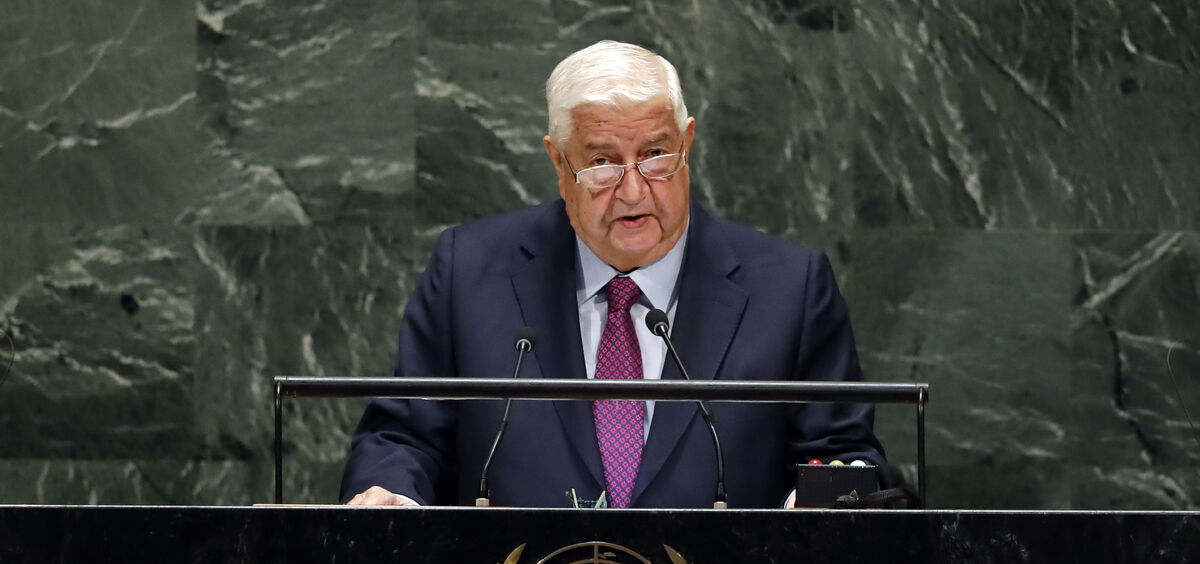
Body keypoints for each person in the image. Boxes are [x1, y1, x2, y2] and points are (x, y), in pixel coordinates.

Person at [340, 40, 885, 508]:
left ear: (687, 144)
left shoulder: (789, 289)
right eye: (602, 161)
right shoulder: (470, 273)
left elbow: (842, 454)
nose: (632, 190)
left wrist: (816, 509)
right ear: (559, 164)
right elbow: (403, 436)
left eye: (655, 154)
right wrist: (392, 495)